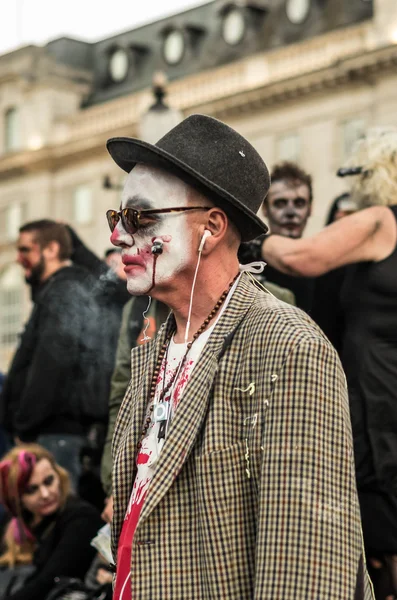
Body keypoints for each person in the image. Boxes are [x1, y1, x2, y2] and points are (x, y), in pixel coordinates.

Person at [106, 114, 372, 599]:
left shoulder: (289, 347)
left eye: (140, 218)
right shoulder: (152, 352)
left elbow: (304, 571)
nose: (119, 237)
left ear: (211, 227)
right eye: (116, 218)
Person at [262, 126, 397, 599]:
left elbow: (300, 256)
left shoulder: (382, 220)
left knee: (378, 531)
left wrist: (247, 235)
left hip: (377, 402)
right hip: (378, 395)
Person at [0, 220, 101, 487]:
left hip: (55, 435)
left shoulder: (64, 292)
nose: (19, 259)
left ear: (51, 249)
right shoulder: (54, 291)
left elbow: (50, 368)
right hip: (50, 433)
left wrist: (24, 425)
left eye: (26, 250)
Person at [0, 444, 102, 599]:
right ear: (17, 499)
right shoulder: (16, 521)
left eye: (48, 481)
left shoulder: (81, 518)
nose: (45, 494)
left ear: (59, 475)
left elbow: (48, 582)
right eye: (31, 490)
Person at [240, 161, 314, 311]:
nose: (290, 213)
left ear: (310, 208)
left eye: (299, 203)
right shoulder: (244, 261)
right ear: (265, 209)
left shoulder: (322, 266)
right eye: (280, 203)